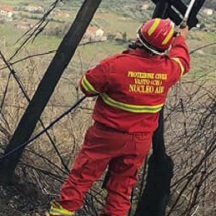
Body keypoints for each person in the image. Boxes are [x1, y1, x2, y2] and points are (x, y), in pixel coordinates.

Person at [48, 18, 190, 216]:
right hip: (139, 142)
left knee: (82, 176)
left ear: (139, 37)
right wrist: (180, 39)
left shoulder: (116, 64)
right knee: (122, 188)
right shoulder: (168, 70)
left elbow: (87, 86)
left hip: (106, 136)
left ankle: (60, 213)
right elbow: (182, 60)